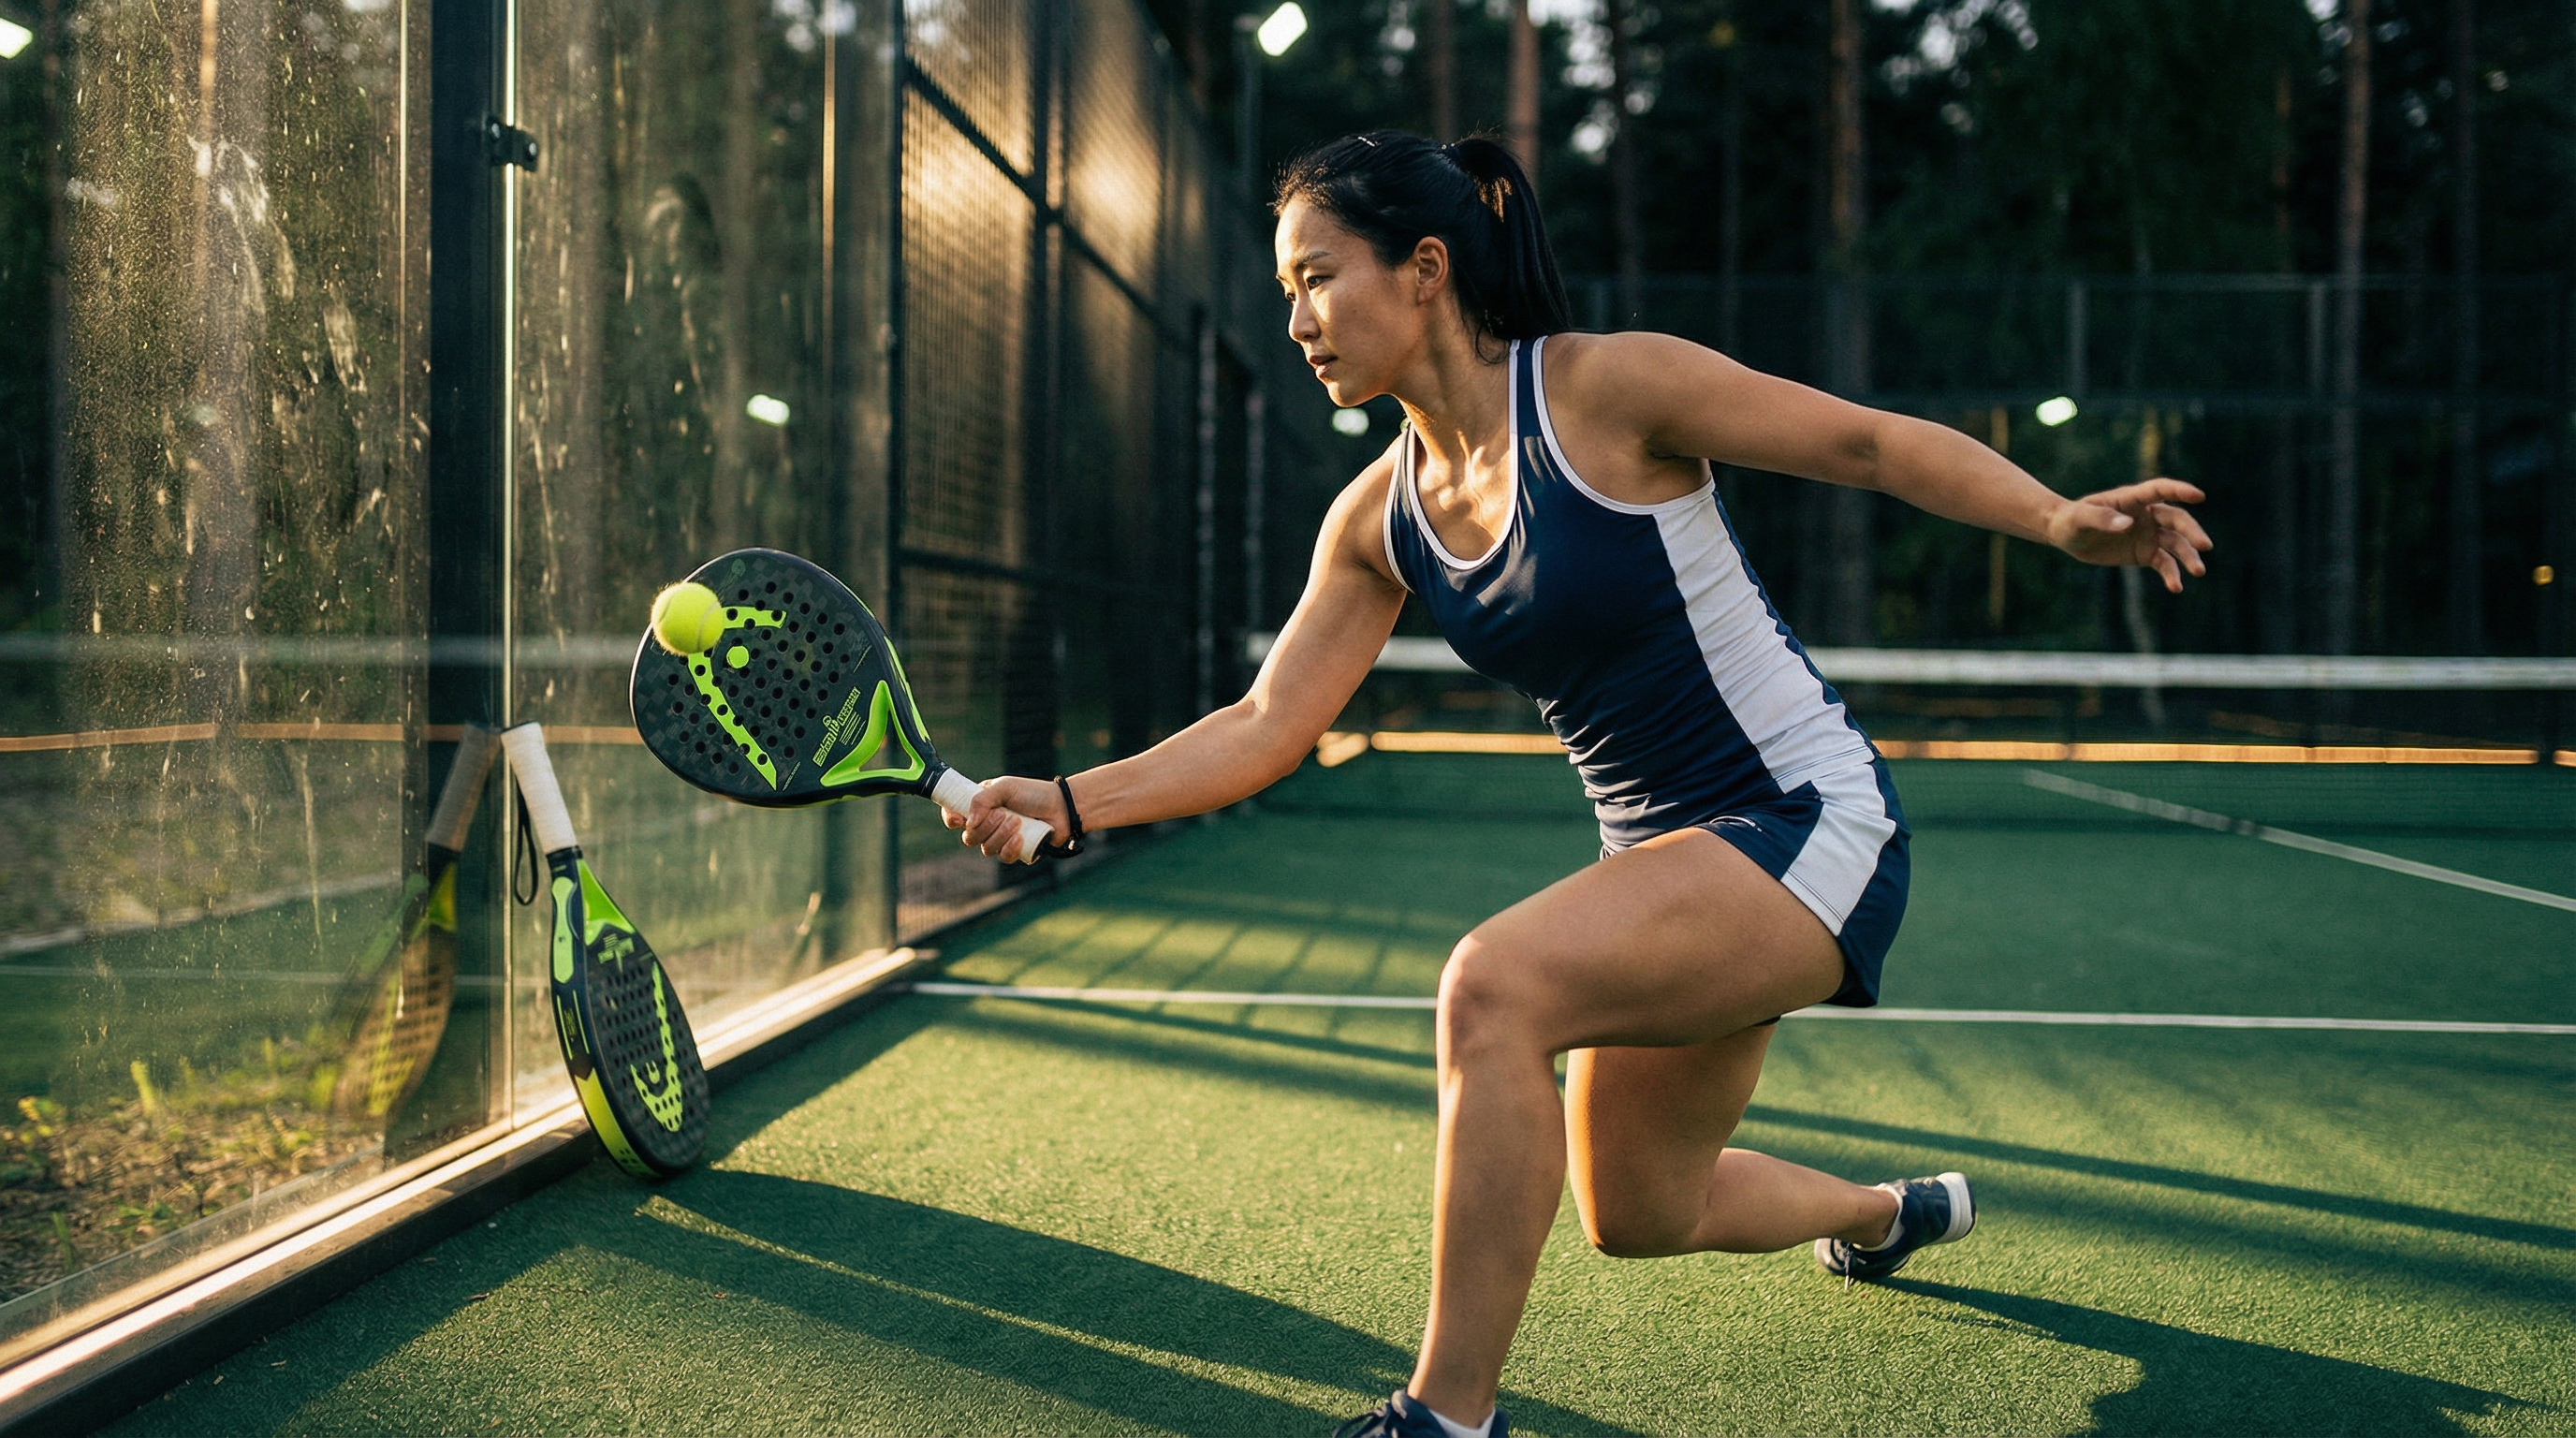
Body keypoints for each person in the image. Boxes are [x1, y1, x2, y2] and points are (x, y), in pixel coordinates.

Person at [951, 130, 2211, 1438]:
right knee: (1642, 1213)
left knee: (1493, 984)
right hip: (1667, 868)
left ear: (1425, 268)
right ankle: (1884, 1215)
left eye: (1318, 278)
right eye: (1286, 290)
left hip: (1806, 819)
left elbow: (1869, 447)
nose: (1299, 321)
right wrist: (1071, 795)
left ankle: (1446, 1416)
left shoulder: (1607, 391)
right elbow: (1270, 722)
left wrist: (2056, 519)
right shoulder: (1376, 517)